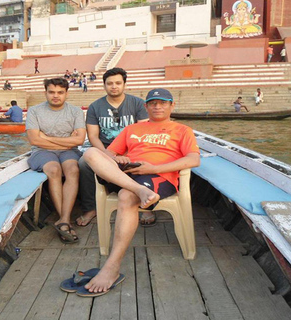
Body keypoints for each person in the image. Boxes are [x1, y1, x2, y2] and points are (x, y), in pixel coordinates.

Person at [76, 88, 200, 296]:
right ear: (146, 107)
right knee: (90, 153)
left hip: (157, 176)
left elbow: (193, 160)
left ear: (171, 105)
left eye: (162, 103)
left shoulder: (182, 130)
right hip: (127, 174)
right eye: (153, 103)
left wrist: (153, 168)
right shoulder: (133, 129)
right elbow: (110, 153)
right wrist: (118, 159)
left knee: (126, 196)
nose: (157, 106)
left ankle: (112, 268)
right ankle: (138, 190)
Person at [76, 67, 149, 228]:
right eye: (109, 83)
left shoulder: (137, 104)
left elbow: (142, 133)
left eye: (117, 83)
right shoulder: (95, 107)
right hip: (105, 150)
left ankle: (147, 206)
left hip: (132, 148)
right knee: (83, 164)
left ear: (124, 84)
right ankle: (90, 208)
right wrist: (109, 154)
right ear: (104, 85)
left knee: (146, 160)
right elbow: (93, 136)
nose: (114, 86)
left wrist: (128, 153)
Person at [25, 78, 86, 243]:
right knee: (53, 170)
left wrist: (46, 137)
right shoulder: (35, 111)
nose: (55, 96)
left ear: (66, 93)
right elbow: (35, 141)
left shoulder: (75, 112)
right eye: (51, 92)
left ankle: (64, 220)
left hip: (69, 152)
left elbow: (80, 140)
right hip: (42, 152)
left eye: (60, 92)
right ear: (45, 92)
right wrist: (65, 140)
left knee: (73, 170)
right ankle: (65, 220)